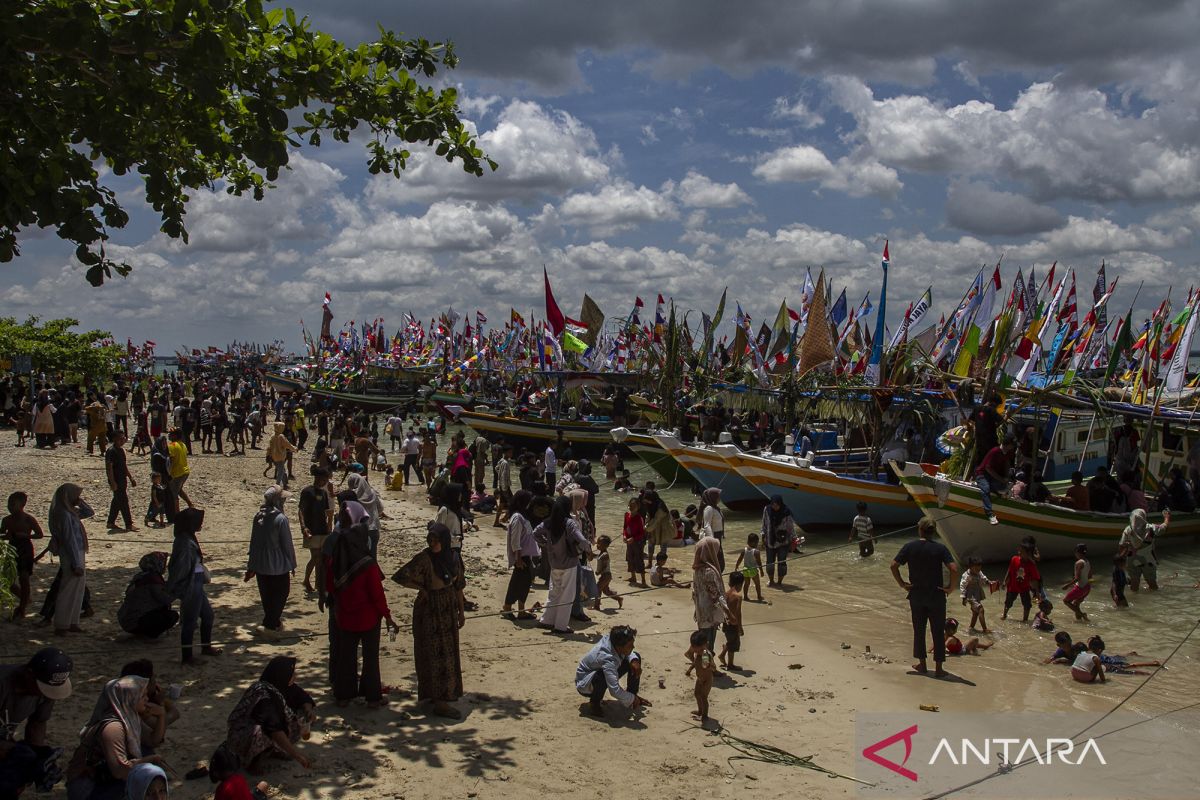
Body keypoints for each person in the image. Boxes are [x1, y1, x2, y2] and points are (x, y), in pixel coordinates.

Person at [392, 523, 466, 718]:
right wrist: (422, 589)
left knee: (449, 653)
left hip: (448, 608)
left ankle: (444, 695)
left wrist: (461, 611)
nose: (432, 543)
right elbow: (401, 576)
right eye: (430, 540)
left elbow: (459, 586)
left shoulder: (453, 558)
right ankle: (438, 701)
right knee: (432, 654)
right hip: (430, 610)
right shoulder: (425, 559)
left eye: (436, 540)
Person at [326, 513, 397, 708]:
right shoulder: (368, 565)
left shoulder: (336, 562)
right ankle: (372, 697)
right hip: (369, 619)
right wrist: (388, 617)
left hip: (345, 617)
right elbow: (377, 595)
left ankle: (343, 696)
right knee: (370, 658)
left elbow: (330, 588)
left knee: (346, 657)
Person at [65, 675, 162, 800]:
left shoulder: (129, 717)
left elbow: (153, 740)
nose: (147, 699)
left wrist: (162, 716)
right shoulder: (113, 727)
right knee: (144, 778)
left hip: (102, 777)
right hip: (87, 788)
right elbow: (120, 771)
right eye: (142, 696)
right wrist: (149, 760)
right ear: (129, 698)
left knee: (146, 753)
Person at [0, 648, 73, 797]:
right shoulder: (2, 684)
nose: (44, 694)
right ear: (29, 674)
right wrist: (15, 751)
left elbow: (38, 722)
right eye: (42, 688)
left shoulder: (47, 688)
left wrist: (40, 756)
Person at [220, 657, 315, 772]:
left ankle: (277, 750)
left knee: (300, 714)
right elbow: (274, 729)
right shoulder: (264, 696)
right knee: (264, 733)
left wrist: (308, 710)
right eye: (292, 673)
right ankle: (254, 760)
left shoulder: (282, 685)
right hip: (245, 734)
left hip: (272, 726)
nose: (295, 675)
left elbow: (303, 697)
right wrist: (297, 755)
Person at [890, 518, 958, 678]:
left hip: (917, 595)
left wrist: (902, 584)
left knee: (919, 630)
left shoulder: (909, 547)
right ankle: (939, 669)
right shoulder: (940, 548)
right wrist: (950, 588)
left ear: (920, 529)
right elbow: (954, 569)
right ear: (933, 531)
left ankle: (922, 664)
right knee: (937, 631)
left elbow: (893, 565)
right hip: (937, 596)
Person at [165, 508, 220, 664]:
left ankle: (205, 647)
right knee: (190, 621)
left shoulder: (188, 537)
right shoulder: (184, 543)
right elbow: (180, 568)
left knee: (208, 616)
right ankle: (187, 656)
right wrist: (174, 589)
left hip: (196, 582)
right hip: (190, 585)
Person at [533, 496, 591, 635]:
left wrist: (545, 544)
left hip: (554, 563)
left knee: (554, 592)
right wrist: (588, 549)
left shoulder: (548, 523)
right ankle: (560, 626)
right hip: (569, 564)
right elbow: (582, 540)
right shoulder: (569, 523)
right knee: (567, 596)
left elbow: (535, 533)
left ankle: (547, 620)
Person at [244, 486, 296, 636]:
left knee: (266, 595)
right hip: (278, 564)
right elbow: (287, 543)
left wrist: (251, 565)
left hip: (260, 563)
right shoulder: (281, 519)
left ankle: (273, 622)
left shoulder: (258, 516)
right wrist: (292, 563)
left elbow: (253, 542)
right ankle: (270, 624)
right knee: (281, 593)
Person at [575, 625, 651, 718]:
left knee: (635, 658)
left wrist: (634, 661)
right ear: (619, 647)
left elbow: (629, 653)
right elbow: (614, 690)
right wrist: (631, 700)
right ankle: (594, 702)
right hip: (586, 682)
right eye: (630, 645)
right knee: (601, 677)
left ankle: (633, 693)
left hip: (603, 669)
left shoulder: (613, 639)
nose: (633, 647)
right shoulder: (607, 658)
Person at [48, 483, 93, 636]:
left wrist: (80, 502)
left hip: (77, 551)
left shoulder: (70, 511)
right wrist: (76, 562)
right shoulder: (63, 514)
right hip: (70, 553)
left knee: (78, 588)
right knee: (68, 588)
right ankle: (61, 624)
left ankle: (73, 621)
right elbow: (69, 539)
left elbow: (89, 512)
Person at [2, 491, 44, 620]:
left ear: (22, 505)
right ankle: (24, 598)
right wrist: (6, 536)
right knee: (7, 580)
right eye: (9, 504)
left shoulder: (28, 519)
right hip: (11, 549)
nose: (10, 507)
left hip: (25, 549)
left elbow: (40, 534)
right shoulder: (6, 520)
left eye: (13, 504)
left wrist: (27, 536)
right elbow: (2, 534)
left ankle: (22, 608)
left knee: (24, 578)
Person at [117, 553, 178, 639]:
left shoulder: (141, 576)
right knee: (171, 616)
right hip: (134, 621)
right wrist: (177, 592)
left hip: (127, 618)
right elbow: (164, 599)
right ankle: (149, 635)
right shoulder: (152, 579)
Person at [501, 491, 539, 619]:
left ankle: (521, 610)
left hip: (526, 555)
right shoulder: (517, 517)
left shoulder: (523, 516)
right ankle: (507, 606)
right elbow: (515, 539)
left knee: (525, 582)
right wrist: (517, 558)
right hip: (521, 556)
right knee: (517, 582)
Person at [298, 467, 335, 594]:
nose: (325, 482)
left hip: (322, 529)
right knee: (315, 557)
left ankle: (319, 583)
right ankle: (306, 580)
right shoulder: (307, 492)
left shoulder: (323, 493)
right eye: (324, 479)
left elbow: (326, 512)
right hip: (311, 529)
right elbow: (301, 510)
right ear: (318, 478)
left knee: (322, 558)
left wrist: (329, 526)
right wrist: (303, 527)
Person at [691, 537, 728, 656]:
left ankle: (703, 666)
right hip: (709, 614)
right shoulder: (709, 571)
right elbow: (715, 596)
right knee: (707, 645)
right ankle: (706, 667)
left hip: (701, 611)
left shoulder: (697, 569)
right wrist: (728, 612)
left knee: (703, 643)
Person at [1119, 508, 1167, 592]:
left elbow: (1121, 545)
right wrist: (1167, 518)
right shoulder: (1151, 528)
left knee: (1134, 583)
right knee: (1152, 584)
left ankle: (1135, 600)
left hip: (1132, 560)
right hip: (1149, 560)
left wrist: (1121, 560)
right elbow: (1163, 528)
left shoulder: (1128, 529)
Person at [974, 439, 1015, 525]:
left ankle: (999, 492)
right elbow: (988, 468)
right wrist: (1001, 479)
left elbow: (1007, 464)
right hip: (982, 475)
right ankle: (990, 514)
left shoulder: (1007, 453)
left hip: (993, 478)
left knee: (1002, 487)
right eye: (1012, 445)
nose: (1013, 447)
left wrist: (1007, 478)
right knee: (986, 489)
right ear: (1008, 445)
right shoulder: (995, 451)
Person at [104, 432, 138, 533]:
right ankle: (129, 524)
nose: (123, 440)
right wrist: (112, 482)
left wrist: (131, 477)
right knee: (123, 501)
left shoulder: (121, 451)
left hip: (123, 479)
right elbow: (109, 468)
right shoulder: (111, 451)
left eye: (123, 438)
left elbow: (124, 466)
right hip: (116, 480)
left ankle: (110, 522)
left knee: (117, 501)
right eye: (120, 439)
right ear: (115, 439)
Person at [1000, 539, 1040, 622]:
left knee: (1027, 605)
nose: (1019, 552)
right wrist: (1005, 581)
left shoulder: (1031, 565)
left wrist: (1036, 592)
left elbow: (1035, 579)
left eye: (1021, 551)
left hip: (1024, 587)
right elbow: (1009, 570)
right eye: (1019, 550)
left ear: (1028, 554)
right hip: (1012, 586)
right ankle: (1004, 615)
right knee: (1008, 602)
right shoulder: (1014, 559)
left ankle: (1025, 620)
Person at [761, 494, 795, 587]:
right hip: (770, 541)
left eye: (777, 505)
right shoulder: (767, 510)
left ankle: (780, 582)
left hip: (783, 542)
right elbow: (764, 523)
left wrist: (793, 540)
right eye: (773, 505)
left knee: (782, 563)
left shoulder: (786, 512)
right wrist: (763, 535)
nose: (774, 507)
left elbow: (790, 527)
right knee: (769, 562)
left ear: (780, 504)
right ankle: (771, 581)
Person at [684, 629, 716, 723]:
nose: (699, 652)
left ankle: (705, 715)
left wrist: (709, 665)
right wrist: (690, 669)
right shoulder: (698, 654)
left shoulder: (707, 655)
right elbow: (695, 662)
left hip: (707, 679)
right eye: (696, 649)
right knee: (697, 694)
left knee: (703, 697)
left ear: (706, 645)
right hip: (699, 678)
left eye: (701, 649)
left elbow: (714, 668)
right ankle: (700, 711)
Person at [958, 556, 996, 633]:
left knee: (975, 613)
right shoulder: (967, 575)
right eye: (976, 568)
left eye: (979, 568)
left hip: (977, 593)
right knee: (980, 610)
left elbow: (983, 578)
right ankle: (985, 629)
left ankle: (971, 628)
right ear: (970, 567)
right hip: (970, 595)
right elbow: (962, 586)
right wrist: (963, 598)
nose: (978, 570)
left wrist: (989, 582)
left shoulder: (979, 572)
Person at [719, 572, 745, 671]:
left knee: (731, 641)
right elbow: (738, 613)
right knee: (733, 644)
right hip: (734, 623)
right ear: (740, 584)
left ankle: (722, 656)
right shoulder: (738, 596)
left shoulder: (726, 593)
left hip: (726, 621)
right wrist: (740, 627)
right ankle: (730, 664)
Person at [1062, 543, 1093, 622]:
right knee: (1076, 604)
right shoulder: (1087, 562)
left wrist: (1067, 585)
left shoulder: (1078, 563)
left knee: (1066, 601)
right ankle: (1080, 621)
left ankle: (1083, 615)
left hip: (1080, 587)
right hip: (1087, 587)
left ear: (1077, 552)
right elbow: (1090, 576)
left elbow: (1077, 578)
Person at [165, 430, 194, 514]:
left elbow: (170, 460)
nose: (169, 435)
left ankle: (176, 513)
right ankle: (190, 504)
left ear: (175, 436)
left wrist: (168, 473)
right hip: (185, 471)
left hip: (177, 473)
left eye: (171, 434)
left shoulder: (172, 445)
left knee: (173, 494)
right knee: (179, 490)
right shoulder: (183, 444)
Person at [591, 535, 623, 611]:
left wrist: (599, 572)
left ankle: (596, 606)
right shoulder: (601, 553)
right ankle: (619, 598)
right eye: (597, 542)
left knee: (598, 589)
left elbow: (605, 566)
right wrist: (591, 554)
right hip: (605, 576)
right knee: (606, 591)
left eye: (599, 543)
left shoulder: (605, 555)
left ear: (605, 546)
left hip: (606, 575)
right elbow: (597, 557)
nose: (597, 544)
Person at [643, 491, 673, 563]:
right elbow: (648, 517)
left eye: (647, 500)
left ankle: (660, 564)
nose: (646, 502)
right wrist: (645, 525)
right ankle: (650, 563)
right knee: (650, 545)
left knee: (663, 547)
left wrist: (646, 528)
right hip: (653, 528)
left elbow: (656, 520)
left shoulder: (661, 508)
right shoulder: (649, 506)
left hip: (663, 529)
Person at [622, 496, 647, 586]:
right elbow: (625, 527)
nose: (631, 507)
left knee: (639, 559)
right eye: (630, 505)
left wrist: (633, 538)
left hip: (638, 542)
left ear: (638, 507)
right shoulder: (626, 515)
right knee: (630, 558)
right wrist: (624, 536)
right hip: (629, 541)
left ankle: (643, 580)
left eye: (634, 506)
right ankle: (633, 577)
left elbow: (641, 533)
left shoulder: (639, 518)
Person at [733, 533, 763, 601]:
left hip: (745, 570)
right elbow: (759, 563)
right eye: (757, 543)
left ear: (748, 542)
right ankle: (759, 596)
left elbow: (739, 559)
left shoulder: (744, 550)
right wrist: (761, 571)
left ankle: (745, 597)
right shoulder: (756, 552)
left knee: (746, 584)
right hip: (753, 570)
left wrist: (736, 566)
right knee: (757, 584)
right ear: (755, 543)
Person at [266, 422, 296, 489]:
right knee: (280, 472)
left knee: (282, 469)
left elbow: (269, 447)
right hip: (280, 457)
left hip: (273, 457)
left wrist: (268, 455)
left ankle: (285, 484)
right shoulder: (281, 436)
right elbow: (288, 445)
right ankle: (277, 485)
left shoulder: (272, 436)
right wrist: (295, 449)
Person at [492, 446, 512, 528]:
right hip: (505, 486)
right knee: (513, 503)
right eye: (510, 452)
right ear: (506, 453)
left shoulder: (501, 460)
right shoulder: (505, 463)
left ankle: (497, 521)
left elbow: (496, 468)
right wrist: (505, 488)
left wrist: (499, 475)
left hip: (501, 485)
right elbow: (503, 476)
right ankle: (505, 518)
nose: (511, 454)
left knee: (501, 504)